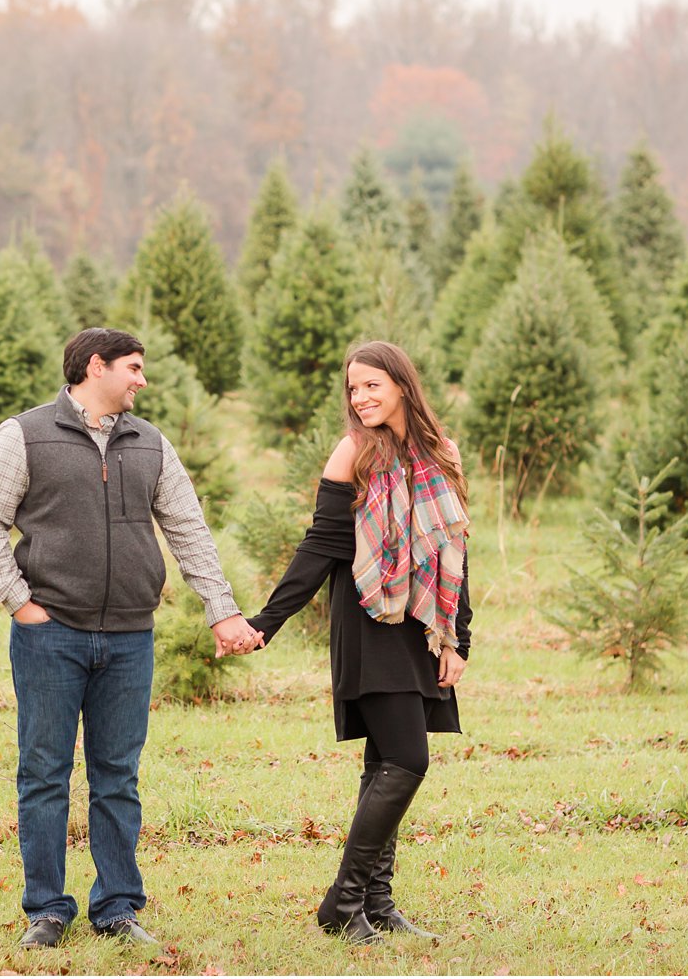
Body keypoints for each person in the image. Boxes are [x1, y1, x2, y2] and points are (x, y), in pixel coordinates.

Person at [0, 327, 263, 950]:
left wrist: (222, 611)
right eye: (132, 367)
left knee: (117, 776)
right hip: (51, 636)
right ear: (95, 367)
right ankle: (47, 909)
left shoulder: (149, 443)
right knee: (44, 773)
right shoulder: (24, 435)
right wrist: (21, 605)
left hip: (130, 638)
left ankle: (118, 908)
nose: (141, 380)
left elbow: (189, 530)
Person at [242, 340, 471, 946]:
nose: (361, 397)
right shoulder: (353, 452)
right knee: (407, 760)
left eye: (372, 385)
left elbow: (454, 548)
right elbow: (320, 546)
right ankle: (342, 906)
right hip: (371, 623)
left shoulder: (440, 453)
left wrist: (457, 641)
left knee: (383, 763)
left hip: (423, 625)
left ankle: (378, 900)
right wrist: (267, 621)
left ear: (401, 384)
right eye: (353, 388)